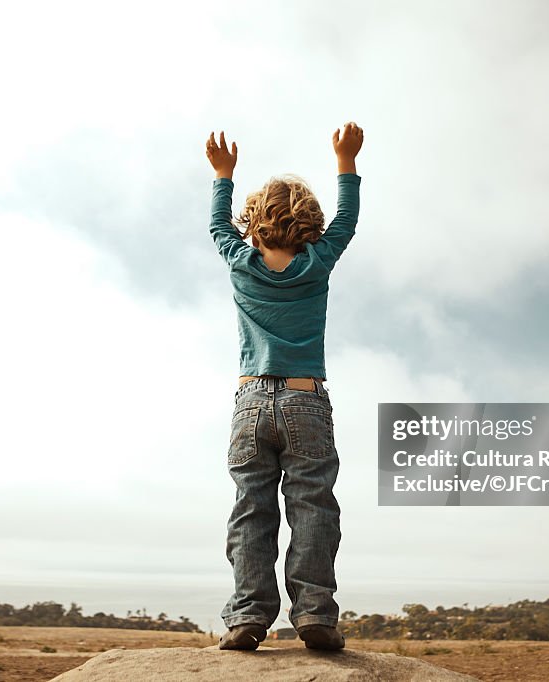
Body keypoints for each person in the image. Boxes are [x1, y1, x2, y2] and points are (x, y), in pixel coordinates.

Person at [204, 122, 364, 651]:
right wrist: (346, 161)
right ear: (308, 225)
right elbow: (348, 221)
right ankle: (315, 614)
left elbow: (217, 228)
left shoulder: (241, 262)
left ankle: (248, 617)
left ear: (252, 224)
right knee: (313, 507)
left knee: (252, 508)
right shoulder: (317, 263)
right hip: (306, 399)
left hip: (250, 401)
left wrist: (223, 177)